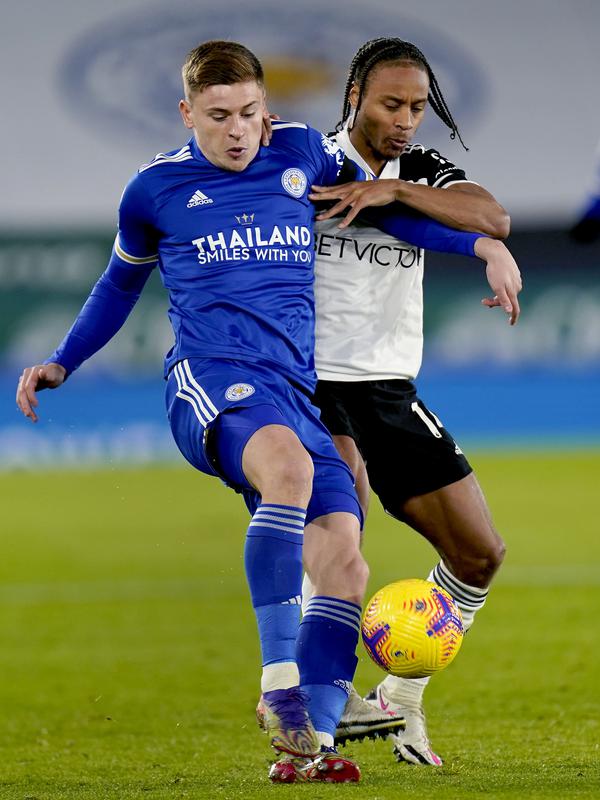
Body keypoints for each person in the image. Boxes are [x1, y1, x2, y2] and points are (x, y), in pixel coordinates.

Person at [15, 40, 504, 783]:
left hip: (295, 390)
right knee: (287, 470)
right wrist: (62, 361)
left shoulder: (300, 154)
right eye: (219, 116)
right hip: (212, 381)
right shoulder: (155, 189)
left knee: (345, 555)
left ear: (266, 109)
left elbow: (386, 219)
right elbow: (118, 286)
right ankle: (281, 689)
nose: (238, 130)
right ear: (188, 113)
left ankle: (312, 746)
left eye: (249, 113)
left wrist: (478, 246)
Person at [304, 37, 522, 767]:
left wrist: (399, 189)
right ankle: (312, 726)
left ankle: (400, 701)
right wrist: (471, 245)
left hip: (390, 389)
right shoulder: (312, 160)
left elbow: (492, 216)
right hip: (315, 383)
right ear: (355, 96)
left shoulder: (421, 170)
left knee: (479, 553)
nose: (405, 119)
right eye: (391, 103)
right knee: (339, 549)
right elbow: (399, 221)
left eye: (418, 107)